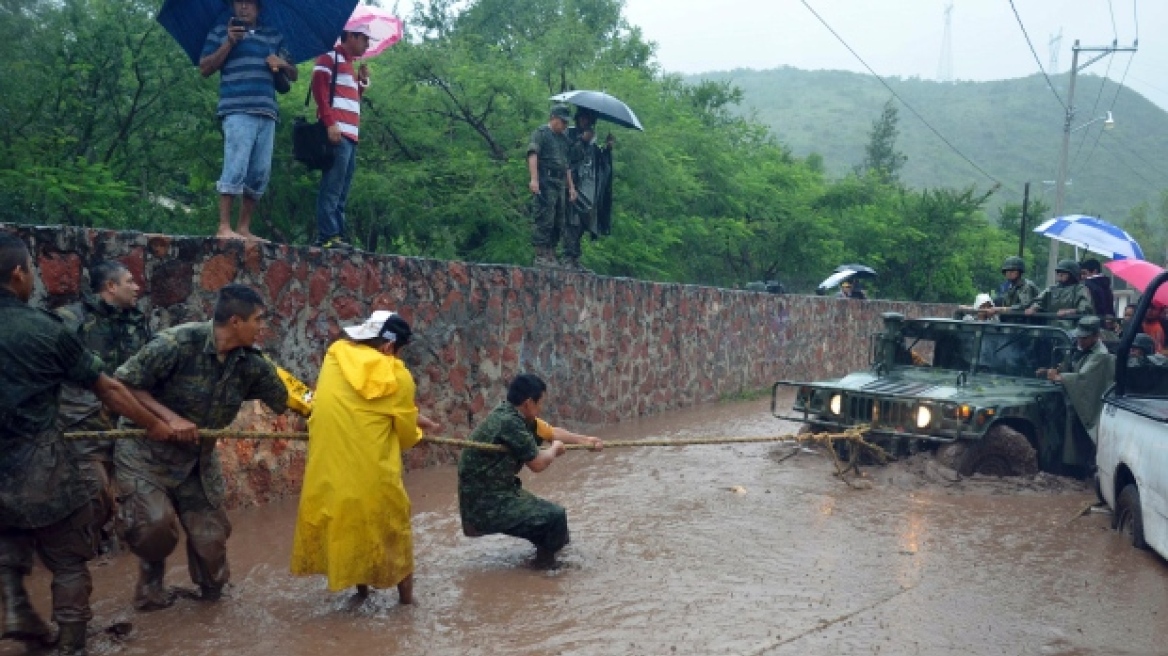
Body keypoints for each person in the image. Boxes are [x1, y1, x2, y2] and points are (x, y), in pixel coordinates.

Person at [0, 233, 176, 655]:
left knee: (8, 535)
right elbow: (109, 389)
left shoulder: (130, 323)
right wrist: (154, 424)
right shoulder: (46, 328)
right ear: (18, 273)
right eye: (31, 273)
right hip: (40, 461)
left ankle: (16, 608)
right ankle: (73, 643)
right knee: (68, 556)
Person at [113, 284, 289, 611]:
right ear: (236, 321)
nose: (262, 327)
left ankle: (212, 600)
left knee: (211, 545)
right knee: (153, 526)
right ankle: (150, 580)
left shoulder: (252, 363)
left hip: (197, 460)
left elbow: (290, 399)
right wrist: (169, 419)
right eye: (258, 319)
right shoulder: (176, 344)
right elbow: (123, 384)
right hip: (145, 452)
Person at [290, 311, 438, 604]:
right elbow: (405, 435)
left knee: (352, 533)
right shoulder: (397, 376)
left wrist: (417, 418)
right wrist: (421, 432)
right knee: (396, 534)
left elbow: (359, 406)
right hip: (374, 484)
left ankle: (362, 593)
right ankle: (407, 603)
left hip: (327, 483)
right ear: (387, 348)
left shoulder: (335, 356)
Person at [55, 261, 152, 555]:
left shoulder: (137, 321)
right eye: (129, 281)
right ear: (111, 286)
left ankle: (121, 562)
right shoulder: (69, 320)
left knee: (135, 499)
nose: (137, 287)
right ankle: (79, 558)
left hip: (128, 423)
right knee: (93, 495)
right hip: (82, 424)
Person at [457, 374, 601, 568]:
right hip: (484, 502)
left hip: (500, 490)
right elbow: (538, 464)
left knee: (550, 521)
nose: (541, 409)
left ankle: (547, 559)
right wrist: (554, 449)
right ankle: (546, 570)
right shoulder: (510, 422)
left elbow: (551, 432)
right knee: (554, 517)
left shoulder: (517, 415)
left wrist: (585, 440)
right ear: (528, 403)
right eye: (540, 403)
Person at [199, 0, 298, 240]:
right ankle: (224, 226)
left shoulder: (274, 35)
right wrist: (229, 42)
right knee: (235, 165)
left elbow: (293, 74)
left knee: (259, 172)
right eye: (239, 3)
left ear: (259, 7)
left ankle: (244, 227)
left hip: (267, 110)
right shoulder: (221, 31)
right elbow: (205, 68)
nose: (244, 7)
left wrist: (281, 64)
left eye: (249, 3)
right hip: (236, 108)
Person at [311, 23, 374, 249]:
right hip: (339, 131)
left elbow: (349, 96)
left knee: (342, 188)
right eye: (364, 39)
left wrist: (361, 82)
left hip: (351, 134)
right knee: (333, 185)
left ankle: (336, 233)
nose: (367, 44)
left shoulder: (348, 64)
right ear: (351, 36)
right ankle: (328, 234)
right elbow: (319, 87)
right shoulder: (330, 58)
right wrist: (330, 122)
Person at [1037, 316, 1114, 468]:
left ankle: (1079, 468)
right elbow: (1069, 365)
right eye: (1079, 336)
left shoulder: (1100, 355)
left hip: (1087, 405)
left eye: (1085, 338)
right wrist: (1050, 371)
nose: (1080, 340)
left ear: (1096, 336)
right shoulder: (1079, 348)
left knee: (1080, 436)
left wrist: (1059, 377)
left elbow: (1083, 378)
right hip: (1073, 398)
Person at [564, 108, 615, 272]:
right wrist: (582, 141)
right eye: (583, 118)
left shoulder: (592, 141)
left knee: (583, 224)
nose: (585, 121)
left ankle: (575, 257)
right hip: (573, 186)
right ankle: (568, 257)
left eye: (588, 119)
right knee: (572, 222)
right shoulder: (570, 134)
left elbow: (600, 164)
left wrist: (607, 149)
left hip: (589, 190)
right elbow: (568, 158)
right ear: (578, 118)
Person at [528, 105, 578, 268]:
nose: (564, 125)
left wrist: (571, 187)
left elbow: (567, 165)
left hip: (560, 182)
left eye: (565, 123)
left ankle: (551, 253)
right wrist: (534, 179)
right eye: (562, 121)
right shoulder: (541, 133)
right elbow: (532, 154)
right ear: (553, 118)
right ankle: (541, 253)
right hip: (545, 180)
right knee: (544, 217)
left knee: (559, 220)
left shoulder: (564, 140)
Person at [1025, 259, 1094, 317]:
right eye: (1058, 273)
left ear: (1072, 275)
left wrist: (1070, 311)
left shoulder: (1080, 289)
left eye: (1064, 273)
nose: (1060, 275)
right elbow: (1039, 301)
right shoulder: (1052, 289)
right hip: (1051, 327)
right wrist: (1034, 308)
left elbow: (1085, 308)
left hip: (1072, 329)